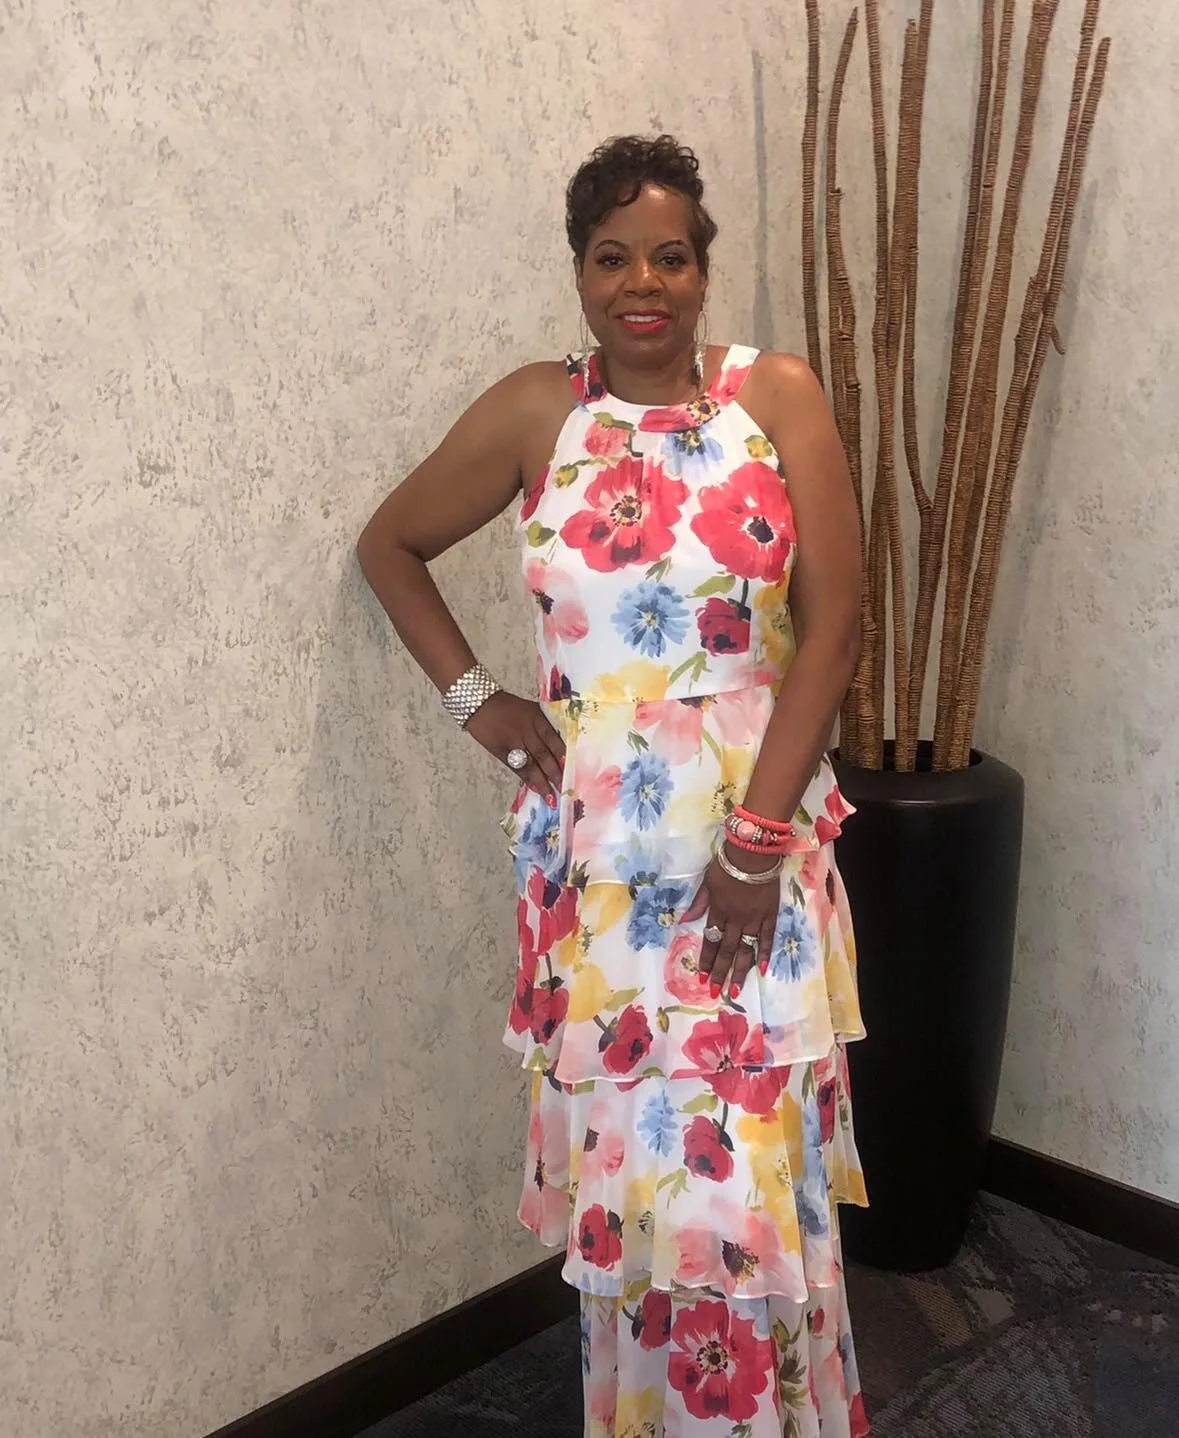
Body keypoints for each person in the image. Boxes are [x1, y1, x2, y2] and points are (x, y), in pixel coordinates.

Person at [358, 134, 869, 1437]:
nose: (643, 282)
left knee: (748, 1163)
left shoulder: (776, 397)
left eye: (671, 256)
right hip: (599, 863)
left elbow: (834, 630)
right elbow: (391, 545)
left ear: (703, 268)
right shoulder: (539, 412)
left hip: (753, 832)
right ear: (579, 271)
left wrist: (755, 845)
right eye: (612, 258)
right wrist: (482, 705)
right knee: (638, 1170)